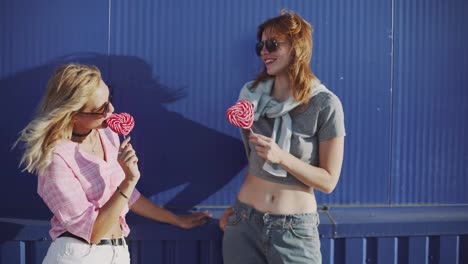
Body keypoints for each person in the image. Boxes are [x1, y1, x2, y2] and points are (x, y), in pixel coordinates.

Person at [15, 64, 210, 263]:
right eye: (101, 108)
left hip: (117, 253)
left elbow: (126, 197)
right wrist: (130, 180)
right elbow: (91, 232)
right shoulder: (56, 160)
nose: (112, 110)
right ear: (73, 114)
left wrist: (174, 219)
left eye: (110, 99)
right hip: (80, 256)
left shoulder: (106, 133)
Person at [220, 10, 345, 264]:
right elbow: (253, 159)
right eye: (261, 46)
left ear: (297, 48)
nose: (264, 52)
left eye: (273, 44)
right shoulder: (251, 96)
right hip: (244, 223)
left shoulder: (325, 104)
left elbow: (329, 181)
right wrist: (236, 216)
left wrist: (282, 157)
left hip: (294, 231)